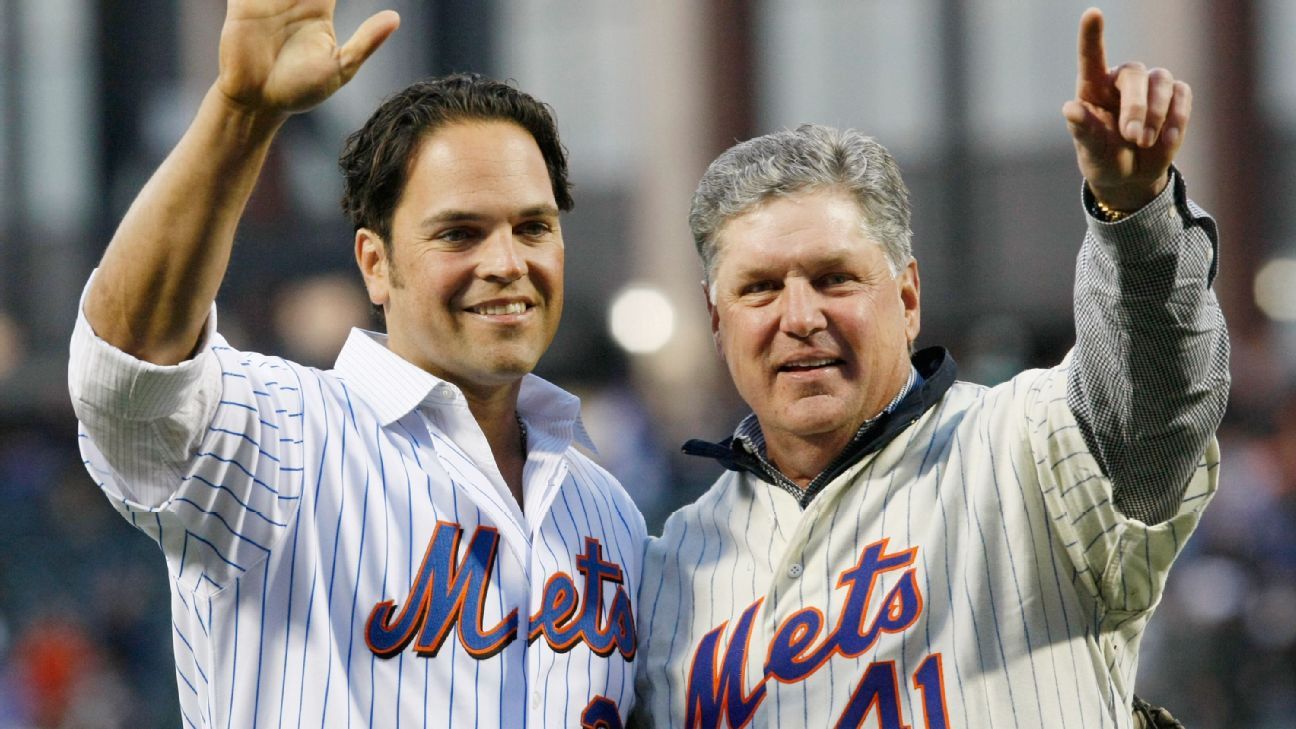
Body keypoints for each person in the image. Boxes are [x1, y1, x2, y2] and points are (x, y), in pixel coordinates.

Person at [632, 8, 1227, 729]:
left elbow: (1157, 406)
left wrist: (1135, 218)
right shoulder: (669, 569)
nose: (799, 316)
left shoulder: (1025, 447)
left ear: (908, 296)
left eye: (834, 278)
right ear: (717, 318)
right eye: (759, 288)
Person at [68, 1, 645, 726]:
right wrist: (238, 116)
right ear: (375, 264)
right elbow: (127, 372)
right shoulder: (284, 437)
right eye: (459, 233)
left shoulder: (609, 513)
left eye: (533, 227)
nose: (506, 263)